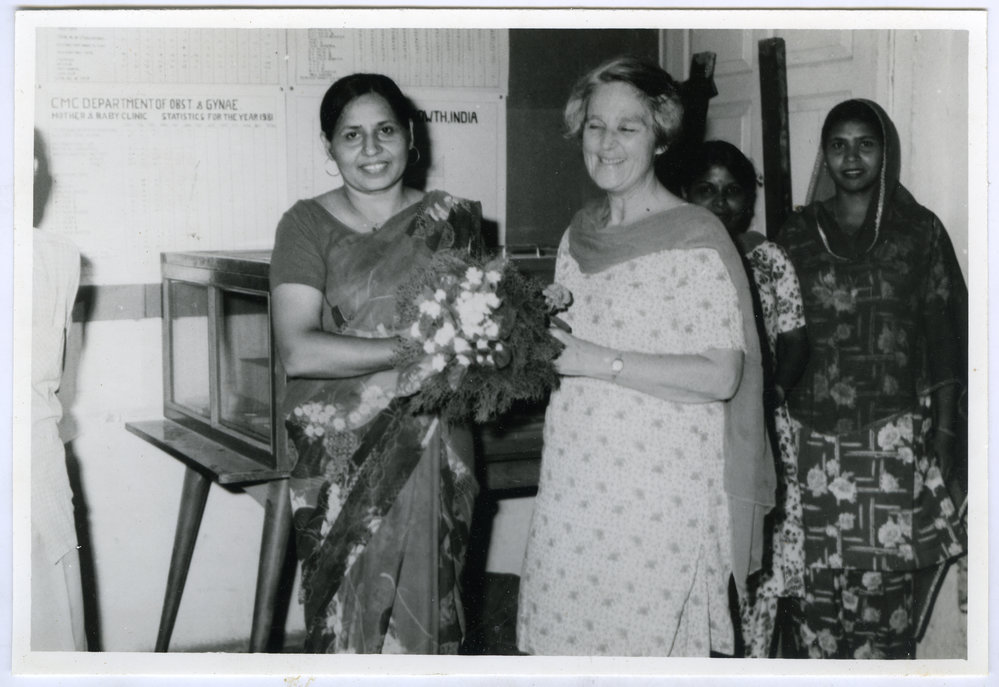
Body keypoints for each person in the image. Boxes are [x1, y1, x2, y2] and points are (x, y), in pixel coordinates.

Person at [516, 57, 774, 657]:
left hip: (658, 494)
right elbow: (565, 350)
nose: (607, 144)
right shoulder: (577, 233)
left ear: (659, 136)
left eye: (627, 128)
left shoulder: (694, 235)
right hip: (577, 482)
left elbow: (721, 374)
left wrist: (597, 360)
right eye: (595, 126)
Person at [269, 73, 483, 654]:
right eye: (351, 135)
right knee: (345, 616)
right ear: (329, 146)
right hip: (338, 446)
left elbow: (482, 338)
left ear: (410, 136)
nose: (370, 148)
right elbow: (299, 349)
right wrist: (416, 350)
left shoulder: (454, 221)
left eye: (385, 130)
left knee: (430, 604)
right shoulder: (305, 224)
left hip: (434, 436)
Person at [774, 99, 967, 659]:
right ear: (824, 154)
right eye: (838, 144)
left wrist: (948, 431)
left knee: (883, 592)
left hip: (889, 438)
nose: (851, 156)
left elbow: (945, 334)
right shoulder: (796, 232)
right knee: (813, 590)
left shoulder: (918, 231)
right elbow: (776, 330)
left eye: (865, 143)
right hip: (806, 439)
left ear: (886, 152)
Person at [682, 140, 810, 657]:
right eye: (707, 190)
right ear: (686, 193)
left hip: (757, 428)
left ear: (749, 201)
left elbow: (796, 339)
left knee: (755, 563)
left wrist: (772, 392)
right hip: (695, 424)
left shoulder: (767, 257)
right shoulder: (677, 254)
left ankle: (752, 661)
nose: (720, 202)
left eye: (732, 192)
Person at [31, 130, 87, 651]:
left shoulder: (55, 256)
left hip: (31, 462)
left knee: (48, 635)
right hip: (34, 458)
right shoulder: (57, 255)